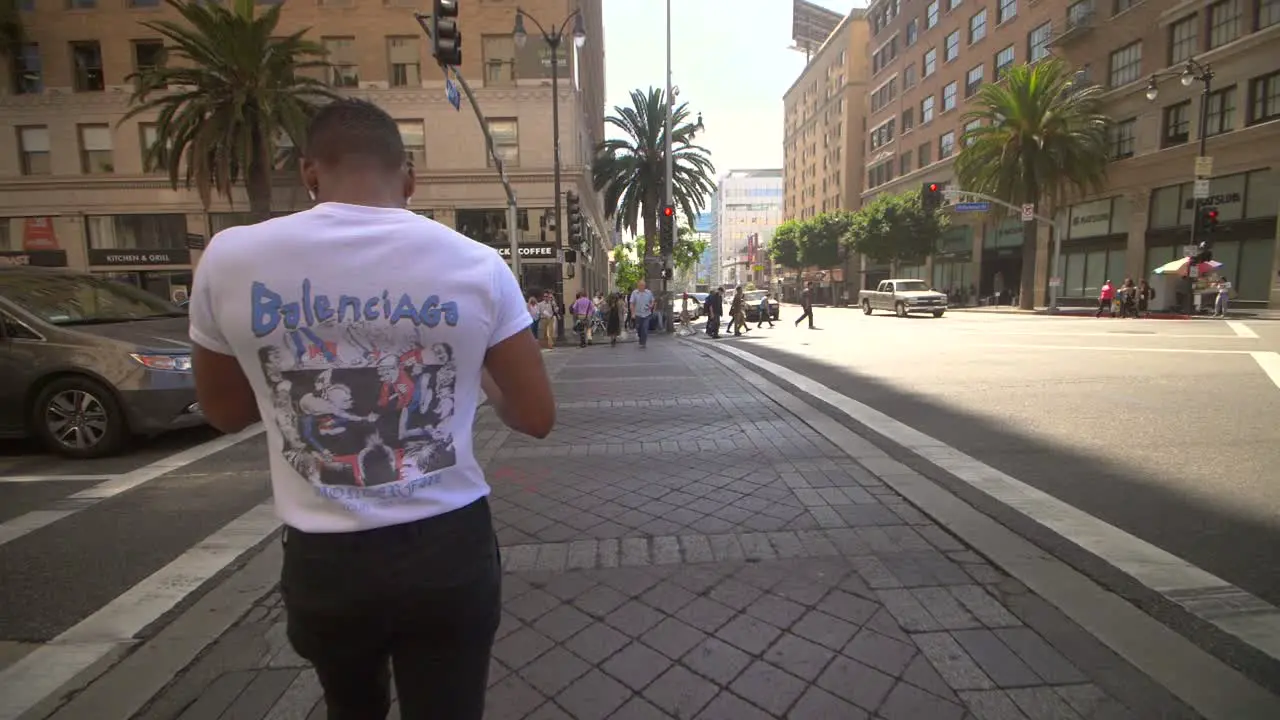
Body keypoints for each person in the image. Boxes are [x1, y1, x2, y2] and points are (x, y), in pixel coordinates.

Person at [186, 99, 555, 720]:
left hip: (327, 562)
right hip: (447, 549)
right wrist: (477, 375)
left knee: (350, 708)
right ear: (409, 177)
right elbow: (535, 415)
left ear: (309, 173)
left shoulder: (230, 258)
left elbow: (223, 411)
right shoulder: (477, 263)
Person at [629, 280, 655, 348]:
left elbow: (652, 301)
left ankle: (643, 342)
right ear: (638, 286)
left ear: (645, 286)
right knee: (639, 328)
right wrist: (632, 313)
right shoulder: (634, 293)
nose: (642, 287)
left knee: (645, 328)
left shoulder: (649, 293)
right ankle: (640, 337)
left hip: (646, 314)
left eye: (643, 285)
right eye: (640, 285)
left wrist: (651, 306)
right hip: (638, 314)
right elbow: (632, 303)